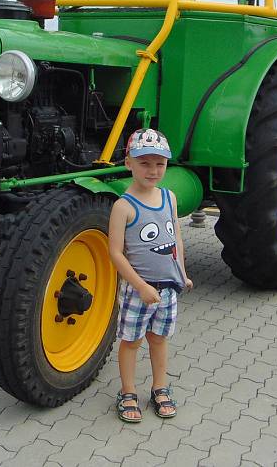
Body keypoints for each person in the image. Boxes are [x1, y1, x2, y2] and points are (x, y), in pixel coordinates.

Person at [108, 128, 193, 423]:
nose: (153, 170)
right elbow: (116, 253)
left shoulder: (169, 198)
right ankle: (128, 392)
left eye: (160, 163)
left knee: (158, 339)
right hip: (138, 292)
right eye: (145, 163)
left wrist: (182, 272)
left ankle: (159, 386)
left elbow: (176, 238)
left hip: (168, 289)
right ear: (129, 162)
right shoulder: (123, 207)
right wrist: (141, 286)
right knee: (131, 342)